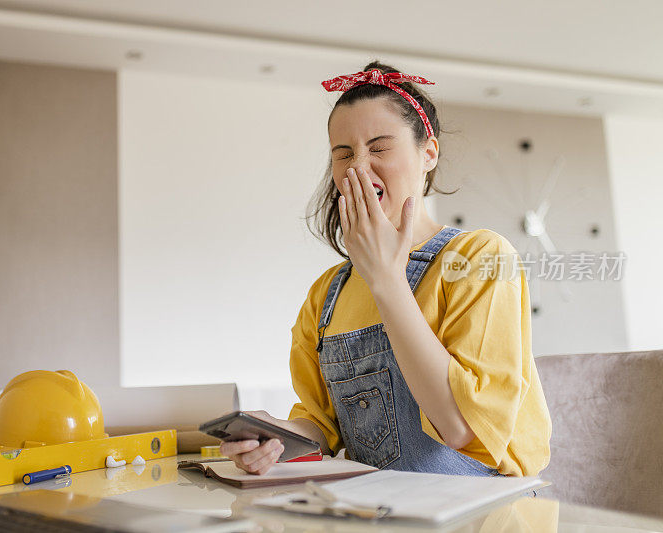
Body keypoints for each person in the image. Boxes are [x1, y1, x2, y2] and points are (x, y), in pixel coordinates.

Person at [220, 61, 552, 477]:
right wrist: (280, 435)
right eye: (344, 153)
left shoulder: (482, 257)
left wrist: (386, 278)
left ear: (428, 153)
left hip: (485, 510)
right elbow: (322, 426)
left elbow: (462, 427)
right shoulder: (325, 295)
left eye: (379, 148)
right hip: (380, 511)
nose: (358, 166)